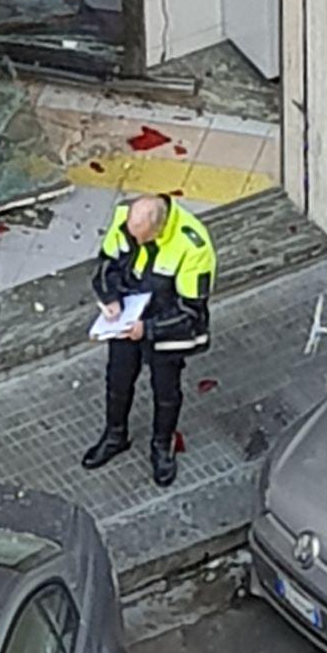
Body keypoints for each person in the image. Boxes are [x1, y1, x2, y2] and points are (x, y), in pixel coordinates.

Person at [81, 194, 216, 488]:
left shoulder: (193, 246)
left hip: (166, 327)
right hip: (127, 318)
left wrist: (149, 328)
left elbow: (192, 311)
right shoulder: (126, 218)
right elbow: (106, 265)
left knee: (165, 392)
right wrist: (110, 297)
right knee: (117, 380)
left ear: (160, 227)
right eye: (133, 235)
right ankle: (115, 435)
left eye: (142, 238)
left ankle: (162, 446)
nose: (136, 241)